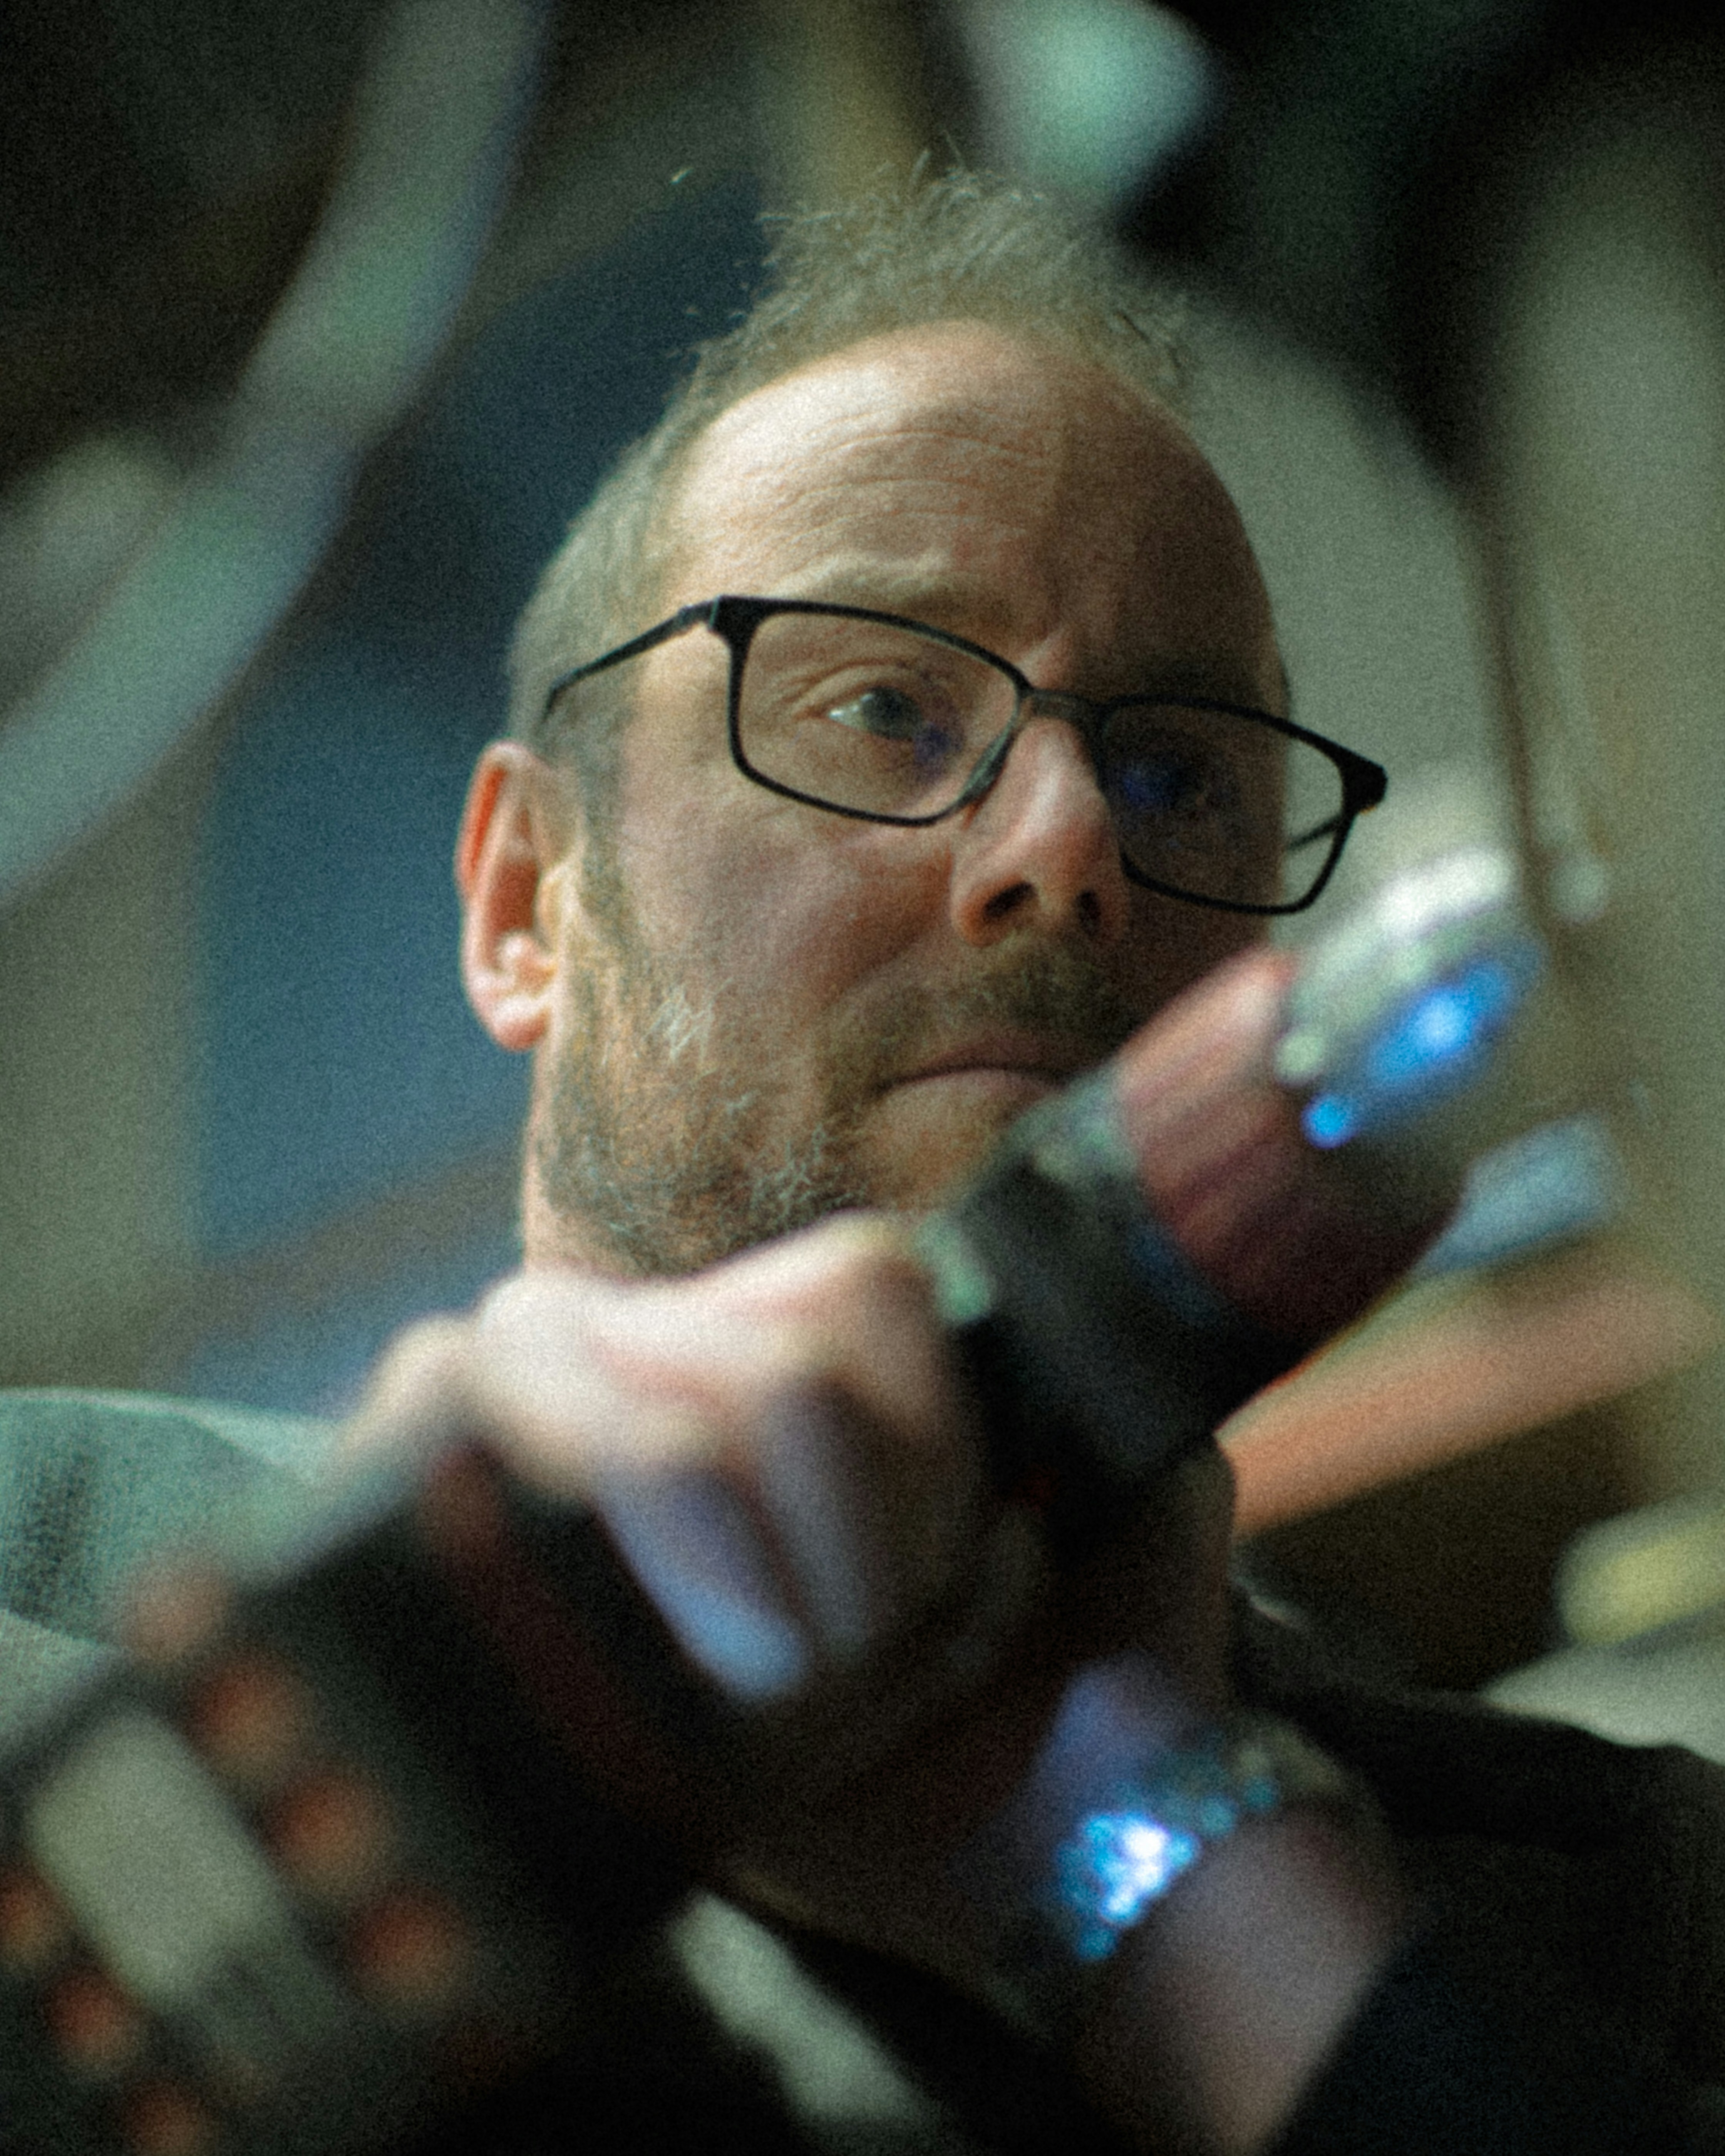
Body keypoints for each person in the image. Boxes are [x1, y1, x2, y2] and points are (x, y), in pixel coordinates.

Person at [3, 172, 1723, 2154]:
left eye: (1180, 773)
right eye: (888, 706)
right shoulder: (39, 1569)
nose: (1063, 842)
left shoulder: (1623, 1905)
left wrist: (1148, 1861)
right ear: (524, 906)